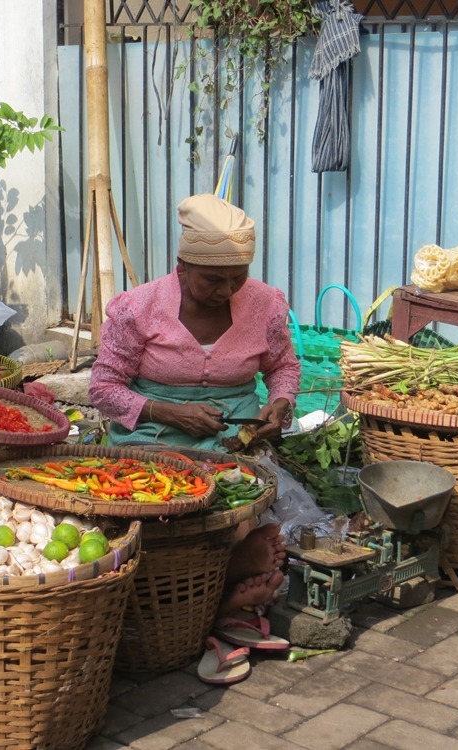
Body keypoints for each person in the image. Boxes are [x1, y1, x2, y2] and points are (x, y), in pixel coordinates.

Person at [89, 193, 301, 615]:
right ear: (182, 267)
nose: (226, 291)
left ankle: (213, 592)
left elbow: (283, 367)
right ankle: (217, 594)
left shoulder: (266, 305)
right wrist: (167, 411)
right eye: (212, 280)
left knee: (235, 511)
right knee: (169, 508)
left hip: (233, 439)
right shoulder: (139, 308)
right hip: (151, 435)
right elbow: (103, 387)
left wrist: (279, 403)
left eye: (237, 278)